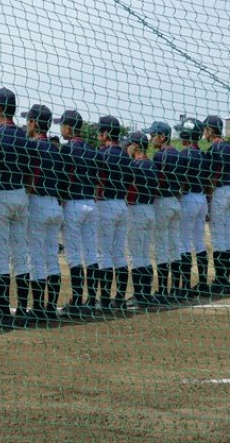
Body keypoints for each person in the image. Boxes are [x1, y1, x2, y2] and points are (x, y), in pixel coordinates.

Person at [0, 87, 33, 328]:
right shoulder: (22, 135)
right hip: (21, 194)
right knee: (20, 254)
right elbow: (31, 168)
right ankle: (22, 309)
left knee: (1, 256)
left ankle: (4, 311)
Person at [56, 109, 99, 319]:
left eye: (62, 124)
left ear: (68, 127)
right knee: (91, 253)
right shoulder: (92, 149)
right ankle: (92, 299)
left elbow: (63, 179)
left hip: (73, 203)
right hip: (91, 202)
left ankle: (77, 300)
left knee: (73, 255)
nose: (60, 128)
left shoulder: (67, 149)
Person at [24, 104, 66, 321]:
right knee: (51, 257)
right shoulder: (56, 149)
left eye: (28, 120)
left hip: (37, 203)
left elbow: (30, 178)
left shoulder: (32, 147)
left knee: (35, 257)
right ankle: (51, 307)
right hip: (55, 205)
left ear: (33, 123)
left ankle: (38, 307)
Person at [95, 115, 133, 311]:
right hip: (122, 204)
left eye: (99, 131)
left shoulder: (102, 154)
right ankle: (119, 298)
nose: (98, 134)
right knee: (119, 253)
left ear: (106, 133)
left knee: (103, 254)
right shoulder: (126, 155)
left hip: (106, 204)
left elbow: (98, 180)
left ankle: (104, 299)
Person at [144, 120, 182, 301]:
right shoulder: (178, 154)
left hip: (162, 202)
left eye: (153, 135)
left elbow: (156, 181)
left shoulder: (160, 156)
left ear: (162, 136)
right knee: (174, 246)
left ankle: (162, 291)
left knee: (161, 247)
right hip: (175, 201)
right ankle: (176, 289)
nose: (151, 138)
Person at [176, 118, 210, 298]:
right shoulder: (203, 155)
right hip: (202, 198)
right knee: (199, 242)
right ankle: (203, 282)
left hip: (188, 198)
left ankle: (185, 286)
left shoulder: (183, 155)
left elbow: (180, 181)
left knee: (184, 243)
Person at [123, 131, 158, 308]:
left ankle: (139, 295)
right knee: (145, 254)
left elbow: (130, 190)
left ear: (135, 146)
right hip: (150, 209)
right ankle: (146, 293)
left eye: (129, 145)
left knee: (135, 255)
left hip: (136, 210)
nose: (127, 148)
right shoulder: (152, 164)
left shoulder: (134, 165)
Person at [203, 115, 230, 294]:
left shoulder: (214, 148)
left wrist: (208, 199)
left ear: (210, 129)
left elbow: (212, 177)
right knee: (227, 236)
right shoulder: (229, 147)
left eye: (205, 129)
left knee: (217, 238)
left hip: (219, 192)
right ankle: (225, 280)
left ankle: (220, 281)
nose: (204, 133)